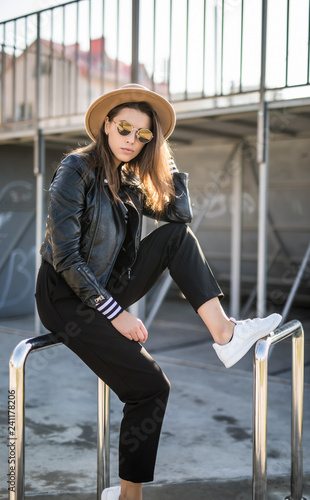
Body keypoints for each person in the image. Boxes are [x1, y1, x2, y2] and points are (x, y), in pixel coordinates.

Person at [35, 84, 281, 500]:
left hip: (105, 284)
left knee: (177, 238)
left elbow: (179, 215)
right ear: (107, 126)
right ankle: (130, 494)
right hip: (66, 296)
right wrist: (117, 314)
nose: (131, 140)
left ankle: (224, 333)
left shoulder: (128, 180)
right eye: (124, 129)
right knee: (151, 386)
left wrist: (160, 162)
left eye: (143, 135)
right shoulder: (75, 170)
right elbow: (67, 259)